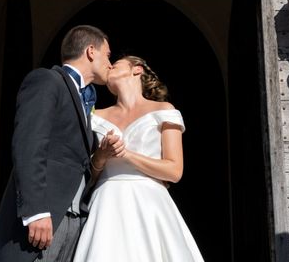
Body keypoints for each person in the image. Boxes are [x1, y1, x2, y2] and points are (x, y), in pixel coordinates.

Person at [0, 25, 120, 262]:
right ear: (91, 51)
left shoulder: (85, 98)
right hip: (44, 217)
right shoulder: (47, 80)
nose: (110, 64)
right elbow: (29, 145)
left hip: (73, 218)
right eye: (108, 55)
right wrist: (36, 211)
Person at [73, 55, 205, 261]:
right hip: (107, 203)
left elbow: (174, 171)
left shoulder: (163, 110)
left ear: (137, 69)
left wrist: (127, 154)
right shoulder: (95, 116)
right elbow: (87, 176)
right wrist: (101, 156)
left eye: (115, 64)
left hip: (149, 203)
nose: (109, 67)